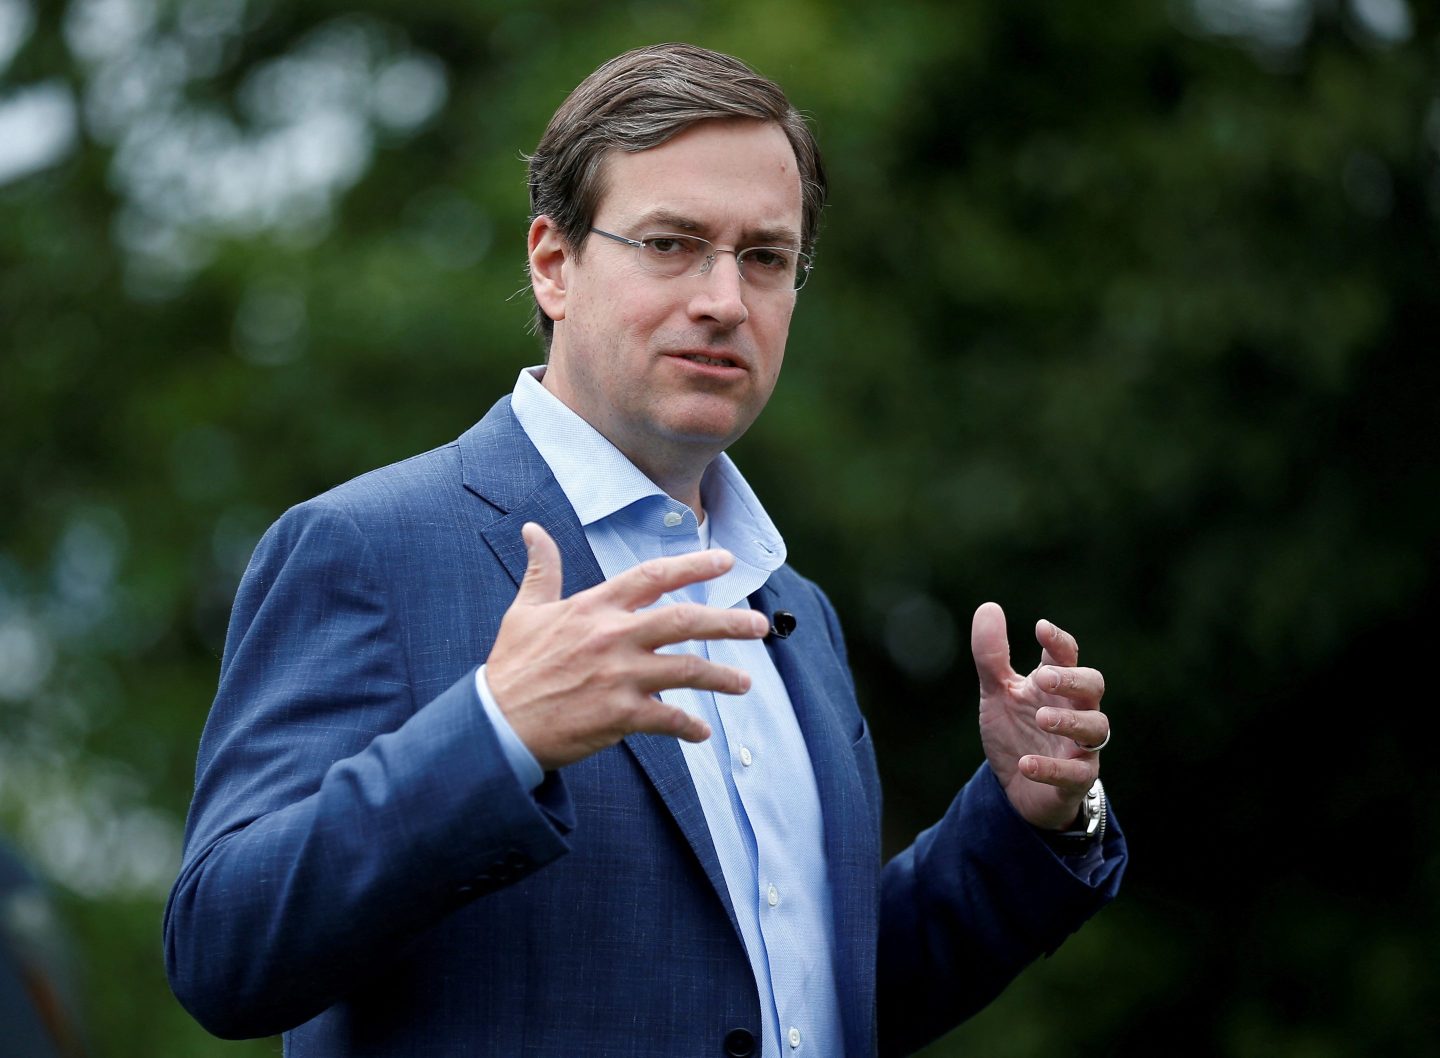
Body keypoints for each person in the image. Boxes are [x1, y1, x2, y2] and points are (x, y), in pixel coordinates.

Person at [165, 43, 1125, 1058]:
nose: (724, 298)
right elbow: (223, 946)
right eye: (671, 244)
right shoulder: (365, 546)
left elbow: (801, 1001)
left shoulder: (792, 607)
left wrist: (1028, 823)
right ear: (553, 263)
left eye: (765, 257)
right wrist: (497, 731)